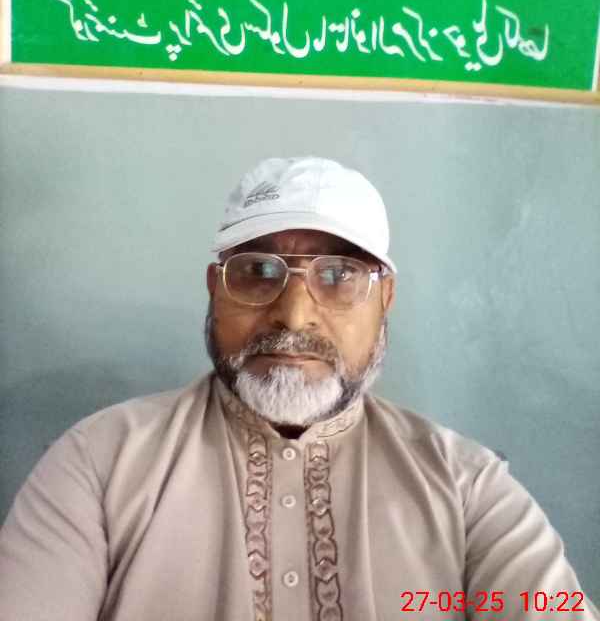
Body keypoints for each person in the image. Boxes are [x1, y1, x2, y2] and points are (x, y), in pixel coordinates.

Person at [0, 156, 596, 621]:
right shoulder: (100, 465)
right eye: (258, 271)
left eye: (338, 275)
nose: (293, 315)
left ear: (385, 299)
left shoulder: (467, 489)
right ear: (215, 288)